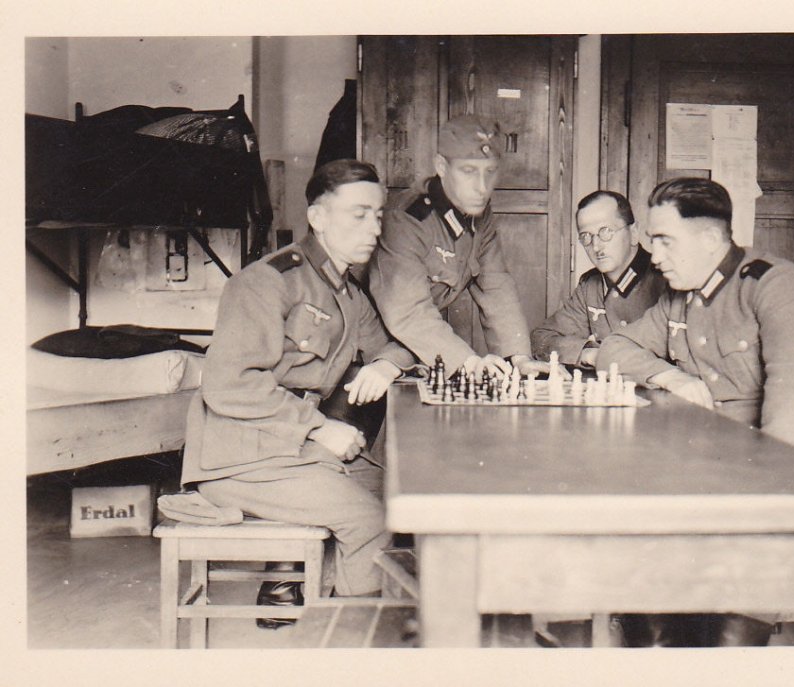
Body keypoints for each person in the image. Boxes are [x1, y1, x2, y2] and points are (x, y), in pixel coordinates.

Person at [597, 177, 794, 646]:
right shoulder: (680, 296)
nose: (655, 255)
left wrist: (738, 496)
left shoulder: (775, 286)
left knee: (727, 602)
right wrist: (671, 377)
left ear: (710, 239)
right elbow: (613, 348)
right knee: (646, 560)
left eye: (666, 240)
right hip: (735, 458)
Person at [180, 160, 415, 625]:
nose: (374, 228)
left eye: (378, 215)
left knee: (395, 496)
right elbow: (229, 383)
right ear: (318, 218)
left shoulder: (346, 292)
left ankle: (306, 592)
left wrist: (386, 364)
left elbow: (394, 344)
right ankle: (350, 635)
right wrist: (319, 427)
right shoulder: (268, 281)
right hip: (240, 456)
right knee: (369, 522)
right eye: (359, 215)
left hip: (293, 449)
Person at [367, 114, 553, 380]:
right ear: (441, 167)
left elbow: (496, 287)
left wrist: (519, 358)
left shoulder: (478, 214)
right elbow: (408, 311)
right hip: (374, 349)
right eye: (468, 171)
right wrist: (468, 362)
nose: (482, 187)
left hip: (421, 346)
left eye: (490, 172)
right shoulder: (407, 219)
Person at [530, 190, 666, 366]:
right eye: (586, 236)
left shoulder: (665, 280)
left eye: (605, 232)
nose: (595, 246)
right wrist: (588, 354)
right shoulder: (590, 286)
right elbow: (541, 338)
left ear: (633, 232)